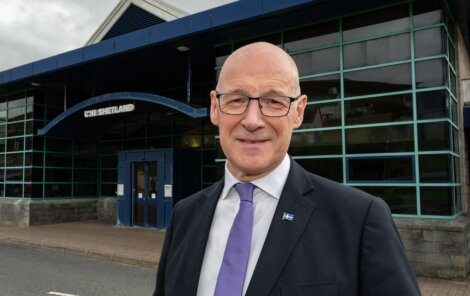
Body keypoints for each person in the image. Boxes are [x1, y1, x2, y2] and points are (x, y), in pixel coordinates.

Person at [153, 42, 420, 296]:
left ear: (298, 112)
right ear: (215, 108)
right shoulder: (184, 216)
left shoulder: (359, 219)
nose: (253, 120)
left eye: (274, 102)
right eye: (236, 100)